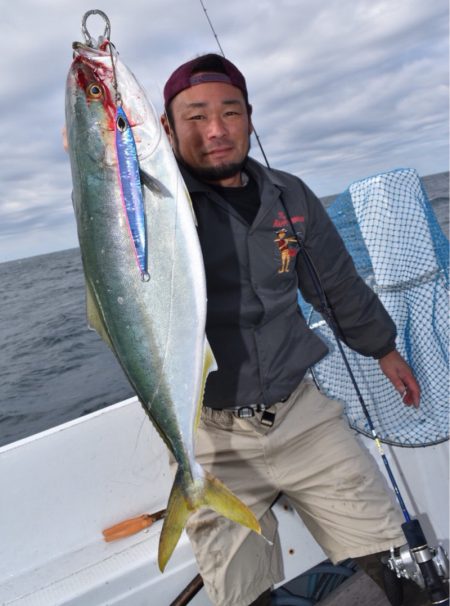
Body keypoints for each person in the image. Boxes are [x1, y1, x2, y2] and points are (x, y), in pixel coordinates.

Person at [160, 53, 421, 606]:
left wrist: (385, 348)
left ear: (251, 119)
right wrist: (99, 154)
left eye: (230, 113)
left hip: (301, 413)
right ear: (165, 128)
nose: (215, 130)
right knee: (240, 593)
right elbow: (110, 208)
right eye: (195, 116)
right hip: (210, 435)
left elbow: (336, 283)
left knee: (400, 564)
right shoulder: (157, 204)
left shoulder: (291, 196)